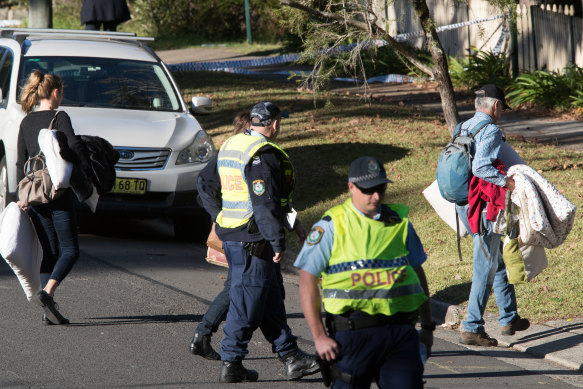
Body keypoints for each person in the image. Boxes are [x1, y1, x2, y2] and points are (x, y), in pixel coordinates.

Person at [294, 156, 434, 389]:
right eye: (368, 190)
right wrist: (318, 336)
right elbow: (307, 280)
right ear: (351, 187)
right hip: (352, 335)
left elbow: (417, 274)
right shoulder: (331, 225)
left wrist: (428, 327)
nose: (376, 196)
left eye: (381, 188)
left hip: (400, 333)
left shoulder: (399, 221)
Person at [206, 101, 318, 383]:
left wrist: (295, 223)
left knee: (269, 300)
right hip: (253, 239)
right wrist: (278, 241)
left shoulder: (232, 145)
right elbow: (265, 204)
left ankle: (291, 357)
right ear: (274, 124)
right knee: (248, 303)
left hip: (235, 234)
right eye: (280, 121)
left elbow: (276, 202)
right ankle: (231, 362)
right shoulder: (263, 156)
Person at [455, 84, 530, 347]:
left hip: (464, 205)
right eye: (502, 109)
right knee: (484, 267)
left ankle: (509, 317)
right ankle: (472, 327)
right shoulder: (490, 129)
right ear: (496, 106)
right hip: (483, 208)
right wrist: (506, 182)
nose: (501, 114)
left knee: (494, 259)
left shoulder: (463, 127)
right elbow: (480, 167)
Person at [17, 70, 91, 325]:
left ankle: (46, 311)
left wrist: (20, 199)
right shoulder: (60, 117)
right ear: (56, 92)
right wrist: (86, 167)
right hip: (57, 192)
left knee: (49, 252)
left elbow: (21, 162)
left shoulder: (26, 121)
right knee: (70, 250)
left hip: (34, 194)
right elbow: (73, 147)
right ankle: (46, 295)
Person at [189, 111, 251, 360]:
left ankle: (287, 351)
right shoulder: (232, 153)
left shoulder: (248, 152)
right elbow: (204, 183)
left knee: (258, 289)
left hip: (246, 230)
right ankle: (203, 335)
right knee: (236, 285)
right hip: (237, 231)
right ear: (246, 129)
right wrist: (218, 217)